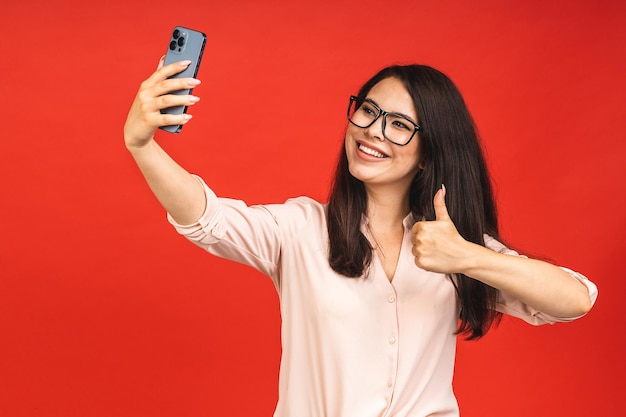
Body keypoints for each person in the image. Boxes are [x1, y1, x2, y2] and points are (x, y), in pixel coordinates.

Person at [124, 57, 598, 416]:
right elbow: (208, 219)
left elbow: (574, 299)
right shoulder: (303, 229)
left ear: (430, 152)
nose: (371, 131)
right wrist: (142, 146)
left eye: (397, 124)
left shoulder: (453, 246)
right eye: (367, 111)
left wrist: (469, 257)